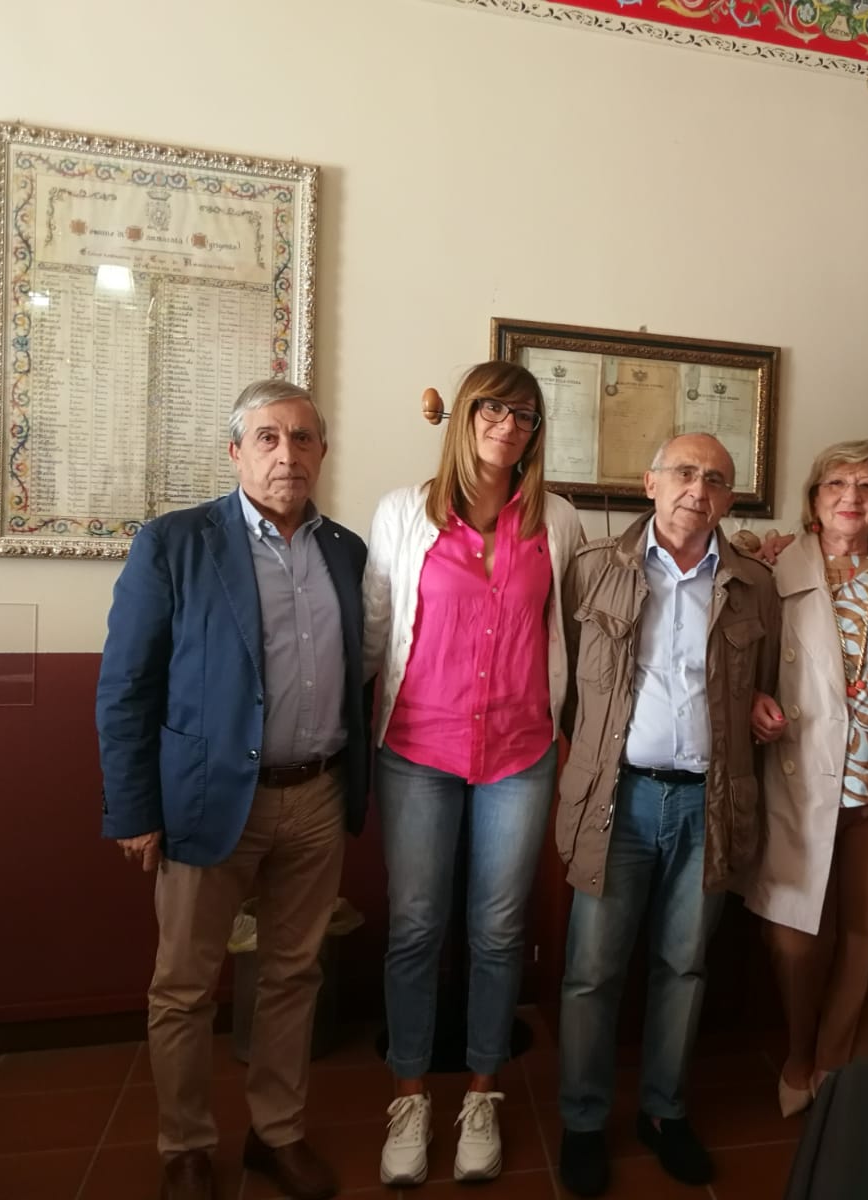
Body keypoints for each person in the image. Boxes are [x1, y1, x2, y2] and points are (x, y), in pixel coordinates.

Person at [96, 380, 369, 1200]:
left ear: (323, 452)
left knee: (293, 975)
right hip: (206, 798)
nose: (288, 454)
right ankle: (184, 1146)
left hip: (316, 796)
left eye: (303, 438)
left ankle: (276, 1134)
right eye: (268, 438)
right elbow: (126, 685)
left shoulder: (346, 551)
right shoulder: (175, 542)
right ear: (236, 452)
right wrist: (134, 809)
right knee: (184, 987)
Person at [364, 362, 584, 1186]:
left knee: (498, 932)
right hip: (418, 749)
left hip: (520, 754)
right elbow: (373, 632)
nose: (508, 425)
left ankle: (483, 1096)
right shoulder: (403, 512)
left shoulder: (557, 520)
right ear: (464, 416)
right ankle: (409, 1098)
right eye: (493, 408)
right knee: (416, 927)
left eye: (525, 415)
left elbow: (575, 621)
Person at [554, 433, 780, 1197]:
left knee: (683, 966)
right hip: (616, 800)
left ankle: (664, 1110)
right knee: (591, 971)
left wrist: (760, 709)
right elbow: (568, 689)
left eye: (715, 479)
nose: (697, 489)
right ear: (649, 483)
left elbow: (760, 683)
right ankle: (584, 1120)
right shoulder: (592, 568)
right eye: (684, 472)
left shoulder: (753, 583)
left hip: (708, 803)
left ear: (729, 499)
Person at [744, 440, 868, 1117]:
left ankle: (836, 1064)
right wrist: (751, 702)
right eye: (837, 484)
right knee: (794, 940)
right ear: (814, 498)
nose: (852, 497)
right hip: (802, 788)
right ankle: (799, 1048)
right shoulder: (771, 569)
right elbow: (742, 665)